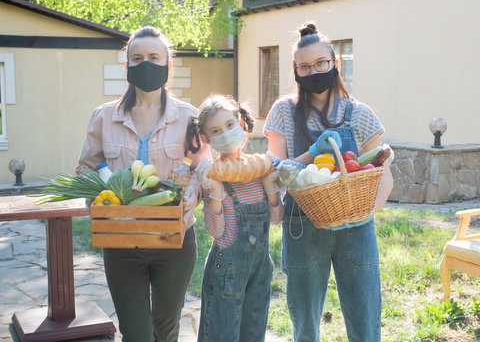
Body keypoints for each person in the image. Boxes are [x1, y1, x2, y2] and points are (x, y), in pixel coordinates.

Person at [76, 26, 209, 342]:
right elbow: (85, 168)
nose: (145, 63)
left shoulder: (190, 118)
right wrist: (99, 198)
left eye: (153, 57)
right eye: (137, 58)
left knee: (166, 330)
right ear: (127, 66)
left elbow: (204, 169)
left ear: (168, 65)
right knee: (135, 333)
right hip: (121, 243)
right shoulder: (104, 116)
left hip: (175, 241)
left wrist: (193, 193)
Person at [264, 22, 394, 341]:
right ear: (295, 71)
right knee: (305, 324)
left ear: (335, 63)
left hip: (356, 227)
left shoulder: (359, 113)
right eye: (305, 66)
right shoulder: (283, 111)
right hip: (302, 224)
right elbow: (277, 171)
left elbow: (385, 176)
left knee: (365, 321)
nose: (313, 71)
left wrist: (362, 214)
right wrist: (311, 153)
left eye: (321, 63)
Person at [185, 94, 284, 342]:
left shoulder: (258, 167)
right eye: (216, 131)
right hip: (226, 269)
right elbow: (216, 232)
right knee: (222, 336)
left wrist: (271, 188)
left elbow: (276, 218)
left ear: (240, 123)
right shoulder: (211, 174)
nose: (226, 133)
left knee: (253, 334)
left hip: (260, 267)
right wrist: (215, 195)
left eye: (230, 125)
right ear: (207, 139)